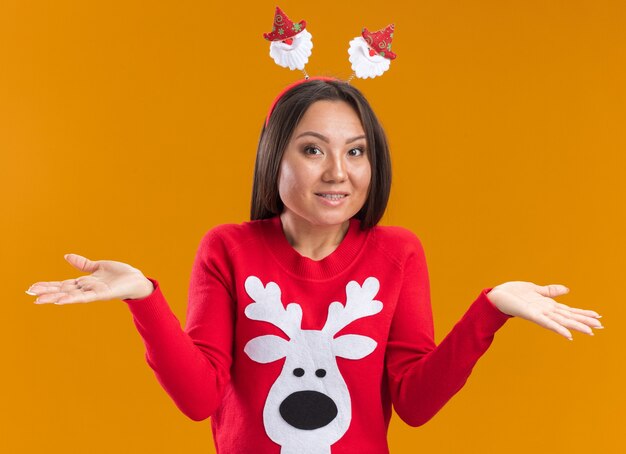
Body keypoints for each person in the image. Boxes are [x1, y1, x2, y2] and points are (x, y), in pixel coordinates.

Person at [26, 78, 603, 453]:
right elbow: (201, 398)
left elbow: (415, 404)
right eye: (312, 149)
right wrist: (143, 299)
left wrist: (491, 309)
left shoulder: (398, 252)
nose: (338, 172)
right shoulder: (226, 248)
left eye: (356, 151)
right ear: (274, 156)